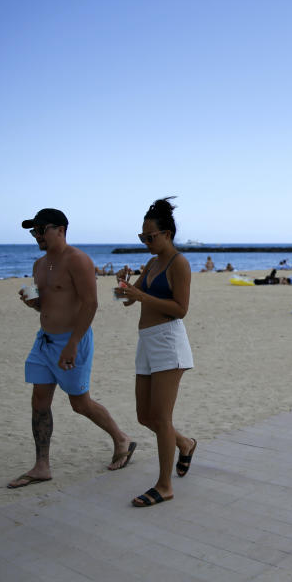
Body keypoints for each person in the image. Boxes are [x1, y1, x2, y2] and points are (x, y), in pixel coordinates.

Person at [9, 208, 135, 489]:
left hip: (72, 341)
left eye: (41, 230)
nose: (37, 236)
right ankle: (42, 465)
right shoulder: (39, 264)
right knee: (39, 401)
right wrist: (33, 304)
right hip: (44, 341)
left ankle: (121, 438)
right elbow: (47, 303)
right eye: (34, 231)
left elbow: (91, 304)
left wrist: (73, 344)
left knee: (80, 403)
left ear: (61, 229)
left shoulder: (78, 260)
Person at [116, 198, 197, 507]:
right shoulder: (151, 264)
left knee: (161, 418)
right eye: (142, 237)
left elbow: (181, 309)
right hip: (146, 340)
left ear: (167, 233)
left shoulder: (179, 263)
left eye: (150, 236)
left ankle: (164, 486)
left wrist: (139, 295)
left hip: (168, 340)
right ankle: (185, 444)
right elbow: (127, 300)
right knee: (144, 416)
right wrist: (123, 286)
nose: (146, 241)